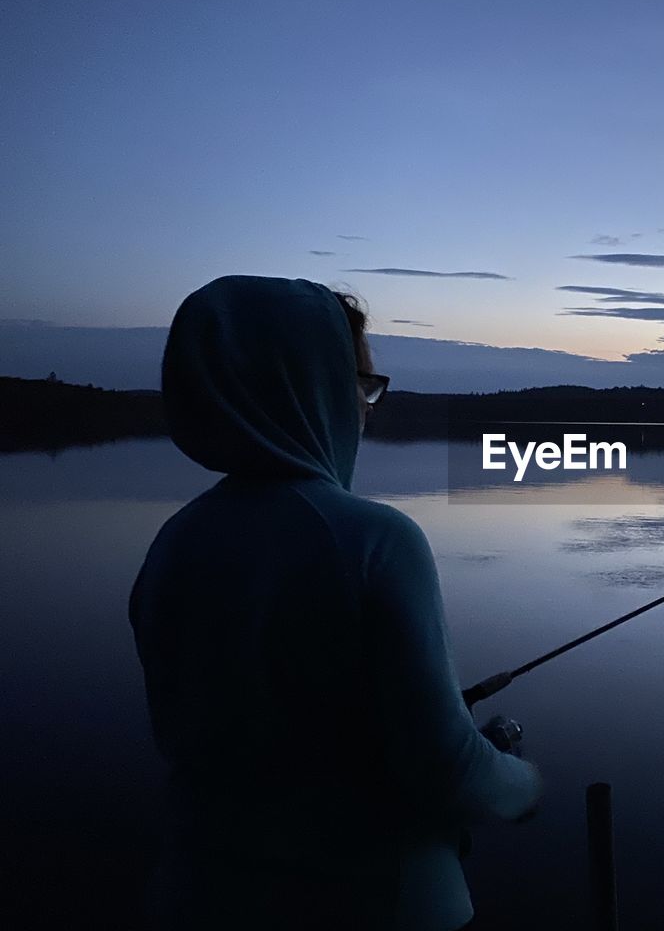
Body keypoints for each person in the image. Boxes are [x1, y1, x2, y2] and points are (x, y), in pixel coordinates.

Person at [129, 275, 540, 930]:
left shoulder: (173, 545)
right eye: (362, 384)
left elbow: (252, 737)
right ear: (309, 383)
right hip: (379, 904)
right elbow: (452, 771)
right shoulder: (374, 540)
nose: (368, 407)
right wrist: (521, 783)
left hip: (195, 899)